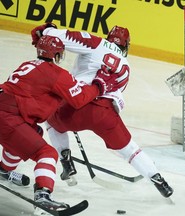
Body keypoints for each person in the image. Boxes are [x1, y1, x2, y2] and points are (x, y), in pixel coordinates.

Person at [31, 24, 174, 198]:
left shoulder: (96, 43)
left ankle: (65, 159)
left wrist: (46, 29)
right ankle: (159, 180)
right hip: (105, 114)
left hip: (73, 106)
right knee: (130, 149)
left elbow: (59, 37)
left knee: (51, 118)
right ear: (126, 45)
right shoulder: (126, 66)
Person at [0, 35, 118, 211]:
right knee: (47, 153)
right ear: (57, 54)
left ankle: (3, 170)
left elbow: (33, 92)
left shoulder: (27, 64)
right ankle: (43, 196)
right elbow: (79, 99)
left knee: (33, 133)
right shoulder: (56, 74)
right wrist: (99, 86)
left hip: (6, 109)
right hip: (7, 118)